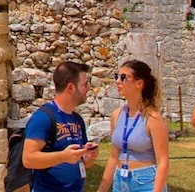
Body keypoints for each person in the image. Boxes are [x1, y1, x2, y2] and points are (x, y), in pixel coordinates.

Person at [22, 62, 97, 192]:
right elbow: (28, 159)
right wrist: (62, 156)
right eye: (85, 84)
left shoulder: (77, 119)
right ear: (71, 88)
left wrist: (88, 156)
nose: (88, 89)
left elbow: (84, 163)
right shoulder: (43, 118)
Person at [98, 60, 169, 192]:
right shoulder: (116, 115)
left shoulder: (153, 118)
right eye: (117, 76)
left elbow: (163, 161)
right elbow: (113, 157)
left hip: (145, 183)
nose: (118, 81)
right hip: (120, 182)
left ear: (139, 83)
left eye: (123, 77)